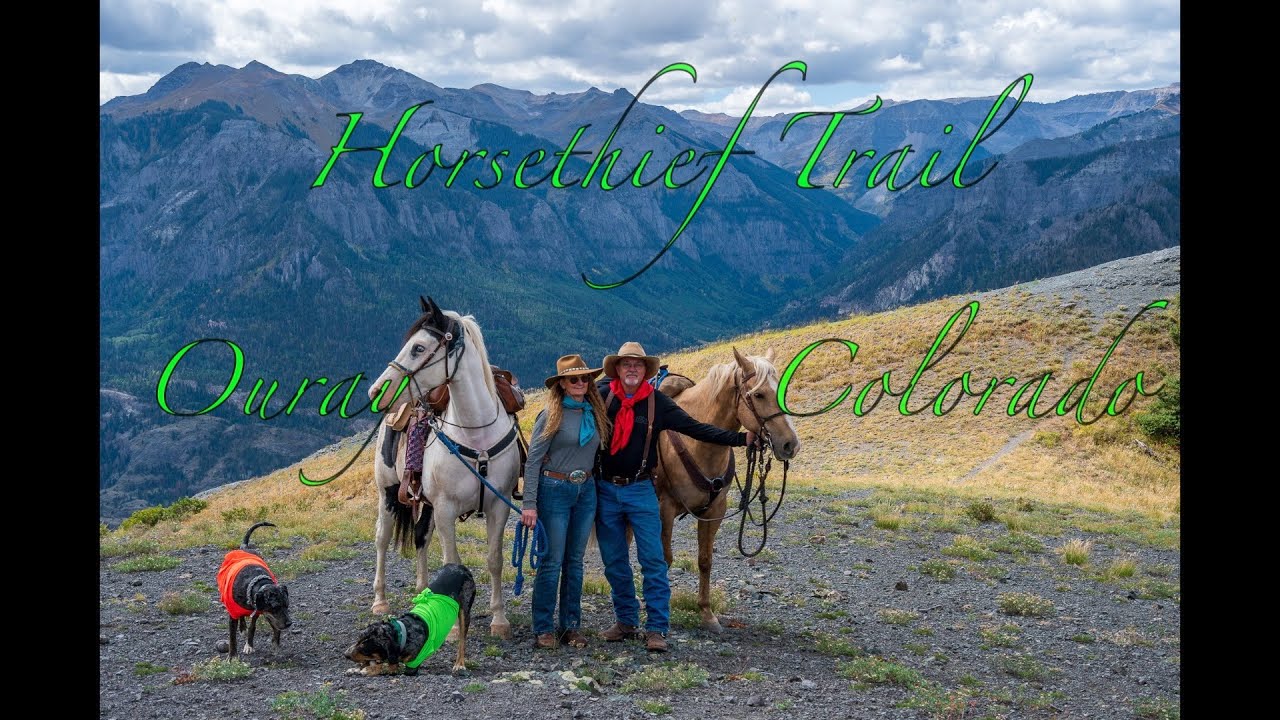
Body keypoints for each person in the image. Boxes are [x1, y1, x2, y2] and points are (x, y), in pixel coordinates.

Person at [594, 342, 754, 652]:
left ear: (646, 371)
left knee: (653, 560)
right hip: (607, 489)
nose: (631, 369)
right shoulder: (603, 397)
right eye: (626, 364)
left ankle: (656, 628)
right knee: (615, 562)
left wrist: (741, 439)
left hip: (641, 489)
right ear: (617, 368)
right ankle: (626, 620)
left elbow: (697, 429)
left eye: (638, 365)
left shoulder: (657, 404)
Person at [521, 354, 612, 650]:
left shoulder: (594, 413)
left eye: (585, 378)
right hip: (554, 488)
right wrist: (529, 504)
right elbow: (533, 460)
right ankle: (544, 627)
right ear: (561, 384)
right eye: (574, 379)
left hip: (585, 489)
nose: (580, 383)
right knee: (552, 561)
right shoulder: (550, 415)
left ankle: (571, 625)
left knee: (575, 562)